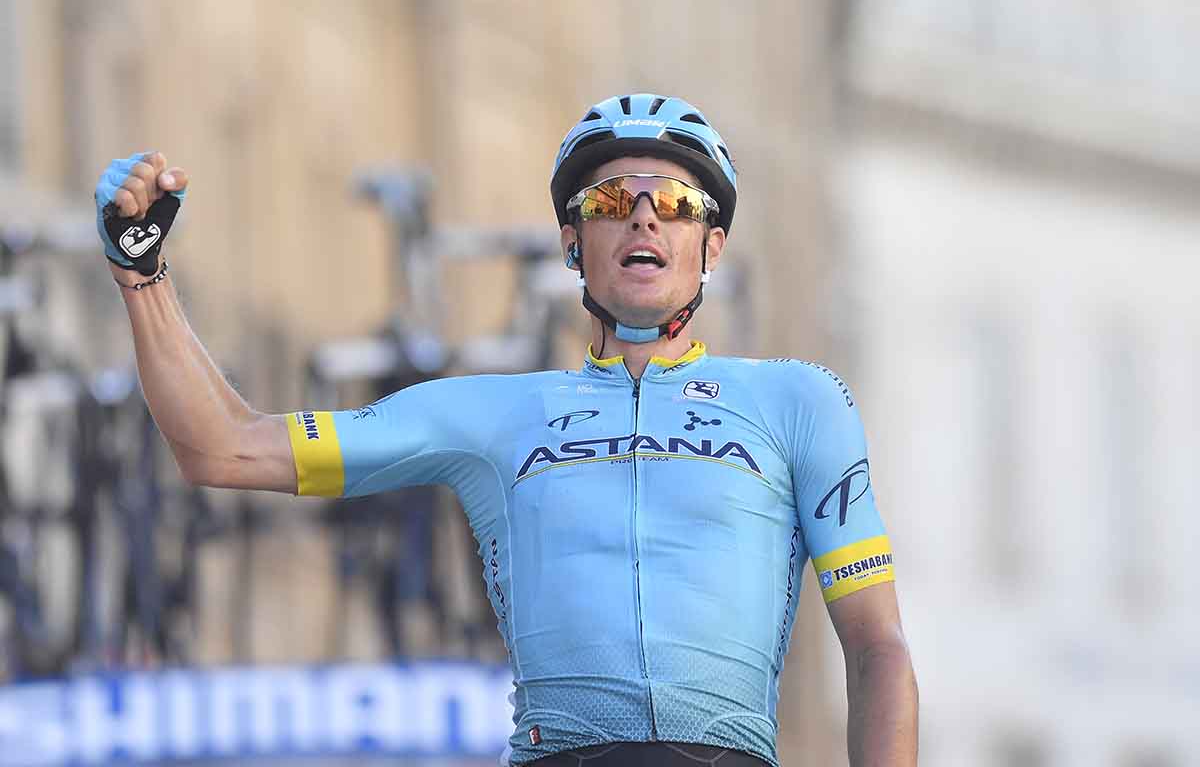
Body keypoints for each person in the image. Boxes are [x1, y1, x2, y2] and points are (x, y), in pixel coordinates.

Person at [93, 93, 917, 767]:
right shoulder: (489, 413)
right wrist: (142, 274)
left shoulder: (798, 401)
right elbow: (223, 447)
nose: (643, 220)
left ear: (712, 246)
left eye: (672, 204)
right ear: (572, 244)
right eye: (610, 203)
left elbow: (876, 648)